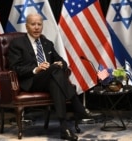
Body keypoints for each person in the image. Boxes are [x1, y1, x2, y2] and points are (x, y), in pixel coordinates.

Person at [8, 13, 97, 141]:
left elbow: (62, 61)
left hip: (49, 79)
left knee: (55, 77)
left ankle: (64, 128)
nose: (37, 27)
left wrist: (61, 64)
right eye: (33, 24)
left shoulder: (47, 43)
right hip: (32, 81)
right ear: (26, 26)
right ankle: (78, 106)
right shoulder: (18, 43)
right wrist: (36, 69)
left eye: (39, 24)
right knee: (55, 70)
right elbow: (15, 67)